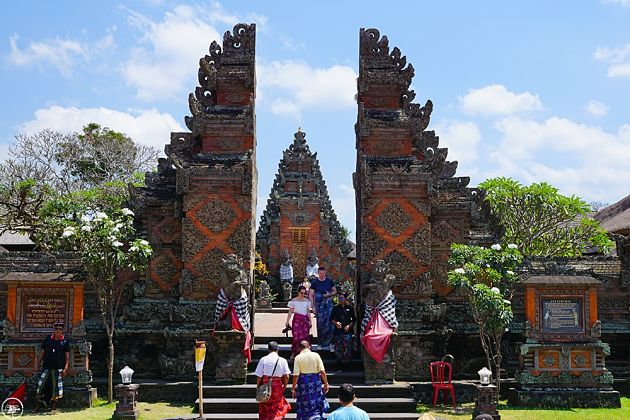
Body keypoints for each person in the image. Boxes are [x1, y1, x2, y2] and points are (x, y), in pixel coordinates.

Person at [34, 321, 70, 413]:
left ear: (63, 330)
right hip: (46, 367)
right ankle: (37, 407)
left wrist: (65, 368)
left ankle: (53, 408)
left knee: (56, 387)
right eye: (56, 329)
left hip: (58, 368)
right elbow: (42, 353)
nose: (58, 331)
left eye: (60, 329)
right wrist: (37, 364)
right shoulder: (48, 339)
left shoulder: (65, 341)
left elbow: (67, 357)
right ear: (54, 329)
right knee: (41, 386)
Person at [292, 340, 329, 420]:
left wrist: (293, 388)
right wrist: (326, 383)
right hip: (315, 384)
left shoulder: (298, 358)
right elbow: (322, 371)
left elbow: (296, 375)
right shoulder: (316, 355)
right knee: (316, 404)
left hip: (303, 385)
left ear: (299, 348)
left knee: (303, 406)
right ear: (309, 347)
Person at [255, 341, 291, 420]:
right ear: (278, 349)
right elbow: (287, 376)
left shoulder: (263, 359)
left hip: (266, 386)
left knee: (265, 406)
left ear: (268, 350)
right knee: (277, 406)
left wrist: (258, 386)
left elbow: (259, 376)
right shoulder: (282, 360)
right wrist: (284, 385)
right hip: (277, 387)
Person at [309, 266, 336, 350]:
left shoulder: (329, 281)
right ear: (318, 273)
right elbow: (310, 294)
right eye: (320, 273)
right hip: (319, 307)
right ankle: (320, 343)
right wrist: (312, 306)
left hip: (328, 306)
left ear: (325, 273)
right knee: (320, 324)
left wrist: (328, 295)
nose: (322, 275)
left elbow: (335, 291)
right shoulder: (314, 283)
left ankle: (330, 343)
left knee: (330, 323)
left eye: (323, 273)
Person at [330, 293, 356, 369]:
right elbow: (331, 319)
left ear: (345, 299)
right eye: (339, 298)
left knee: (348, 348)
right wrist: (336, 323)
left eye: (341, 298)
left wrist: (349, 326)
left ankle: (348, 365)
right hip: (338, 332)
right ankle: (339, 366)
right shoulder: (335, 308)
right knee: (339, 349)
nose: (340, 299)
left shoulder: (350, 308)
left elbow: (354, 320)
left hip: (348, 332)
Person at [286, 285, 313, 358]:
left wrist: (310, 321)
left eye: (305, 293)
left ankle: (306, 352)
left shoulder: (307, 301)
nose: (303, 295)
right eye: (301, 293)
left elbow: (308, 312)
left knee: (305, 336)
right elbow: (290, 311)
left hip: (304, 320)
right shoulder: (293, 301)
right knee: (296, 337)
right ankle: (295, 352)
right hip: (297, 320)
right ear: (298, 292)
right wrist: (287, 321)